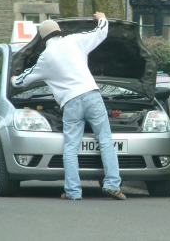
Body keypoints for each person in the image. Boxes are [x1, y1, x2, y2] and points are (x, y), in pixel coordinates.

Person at [11, 13, 126, 200]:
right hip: (92, 96)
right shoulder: (75, 40)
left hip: (70, 103)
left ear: (43, 38)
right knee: (105, 140)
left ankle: (73, 192)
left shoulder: (45, 58)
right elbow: (101, 32)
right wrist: (102, 18)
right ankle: (112, 184)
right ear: (59, 31)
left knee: (71, 147)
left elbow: (22, 81)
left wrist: (14, 79)